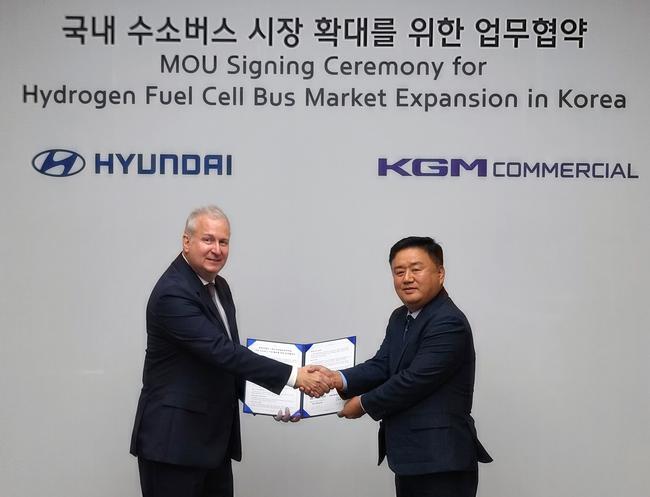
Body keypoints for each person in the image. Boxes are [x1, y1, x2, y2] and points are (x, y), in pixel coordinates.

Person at [130, 205, 330, 497]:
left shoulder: (219, 287)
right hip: (173, 446)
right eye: (208, 240)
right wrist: (294, 377)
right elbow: (221, 351)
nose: (217, 249)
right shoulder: (173, 292)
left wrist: (279, 400)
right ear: (186, 242)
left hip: (212, 445)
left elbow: (227, 361)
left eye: (223, 241)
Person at [315, 236, 492, 497]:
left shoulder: (448, 321)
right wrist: (336, 379)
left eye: (416, 269)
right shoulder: (400, 317)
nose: (407, 278)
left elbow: (414, 380)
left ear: (440, 273)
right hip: (411, 458)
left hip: (441, 459)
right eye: (399, 272)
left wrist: (363, 404)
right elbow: (382, 364)